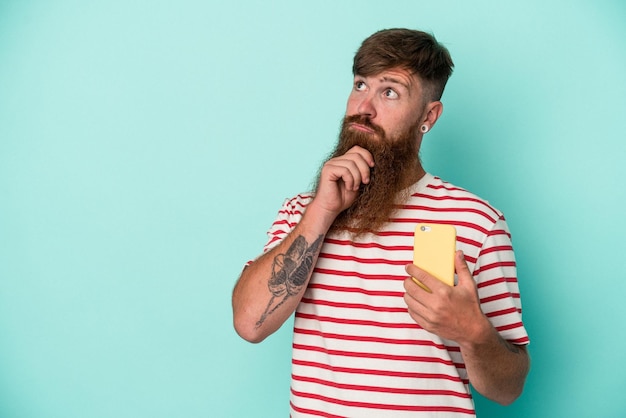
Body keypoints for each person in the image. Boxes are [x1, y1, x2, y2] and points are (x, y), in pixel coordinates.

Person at [232, 28, 530, 417]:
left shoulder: (477, 222)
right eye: (360, 85)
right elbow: (249, 324)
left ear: (429, 116)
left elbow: (509, 389)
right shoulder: (302, 212)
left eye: (389, 92)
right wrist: (321, 213)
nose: (364, 107)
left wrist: (472, 332)